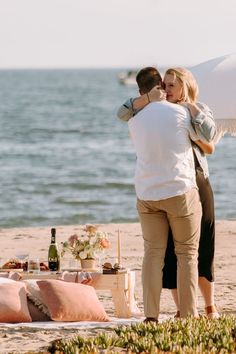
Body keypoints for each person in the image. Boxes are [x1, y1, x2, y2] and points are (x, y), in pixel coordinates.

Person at [117, 67, 219, 318]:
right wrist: (191, 111)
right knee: (187, 254)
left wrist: (190, 107)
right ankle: (187, 315)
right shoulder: (182, 115)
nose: (168, 89)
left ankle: (151, 316)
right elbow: (209, 137)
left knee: (153, 255)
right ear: (158, 87)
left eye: (172, 84)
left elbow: (122, 112)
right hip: (180, 191)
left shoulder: (135, 118)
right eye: (166, 84)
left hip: (147, 193)